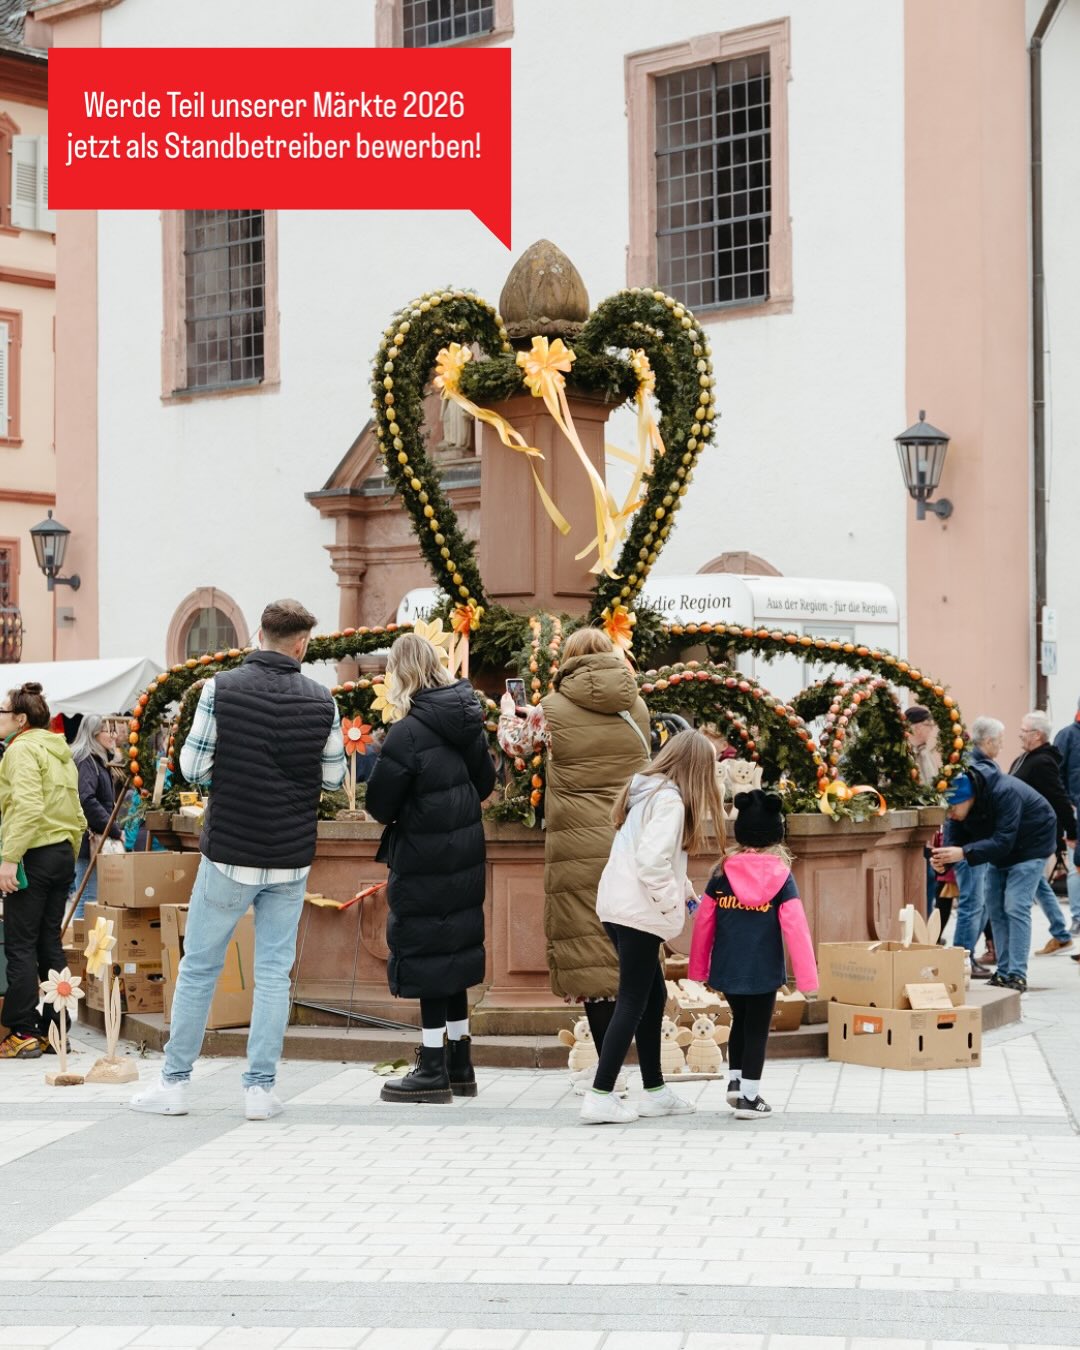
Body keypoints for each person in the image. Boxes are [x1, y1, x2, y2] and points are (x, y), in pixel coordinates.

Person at [130, 599, 345, 1120]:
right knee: (274, 973)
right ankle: (259, 1090)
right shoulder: (323, 700)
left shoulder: (219, 688)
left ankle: (175, 1084)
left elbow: (192, 763)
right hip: (289, 857)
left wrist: (224, 778)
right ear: (301, 645)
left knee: (200, 966)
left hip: (229, 852)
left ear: (258, 636)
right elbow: (335, 779)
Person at [497, 626, 650, 1088]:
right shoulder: (636, 706)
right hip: (630, 843)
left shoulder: (554, 708)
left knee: (587, 955)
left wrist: (509, 713)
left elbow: (517, 745)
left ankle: (609, 1075)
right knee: (629, 958)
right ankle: (641, 1075)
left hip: (578, 849)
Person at [366, 632, 496, 1104]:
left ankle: (432, 1068)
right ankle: (461, 1063)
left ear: (401, 673)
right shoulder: (467, 720)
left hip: (423, 856)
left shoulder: (407, 733)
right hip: (463, 852)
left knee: (427, 955)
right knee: (454, 954)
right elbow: (484, 782)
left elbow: (381, 804)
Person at [581, 729, 724, 1124]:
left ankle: (655, 1091)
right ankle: (600, 1093)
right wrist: (669, 905)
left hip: (619, 907)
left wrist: (687, 894)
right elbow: (651, 863)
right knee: (632, 999)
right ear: (698, 769)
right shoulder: (672, 803)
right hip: (638, 911)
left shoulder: (647, 794)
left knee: (652, 995)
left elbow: (655, 860)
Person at [689, 789, 818, 1121]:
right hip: (761, 970)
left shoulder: (721, 874)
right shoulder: (781, 876)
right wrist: (807, 979)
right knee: (757, 1029)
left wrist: (698, 968)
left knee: (740, 1022)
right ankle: (749, 1097)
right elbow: (796, 928)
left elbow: (704, 922)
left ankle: (735, 1082)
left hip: (727, 968)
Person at [0, 683, 86, 1059]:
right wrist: (69, 850)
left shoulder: (20, 750)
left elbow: (28, 806)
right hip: (62, 852)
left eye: (3, 711)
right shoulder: (58, 750)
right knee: (49, 942)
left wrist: (9, 857)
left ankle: (23, 1031)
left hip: (32, 854)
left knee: (20, 944)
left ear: (20, 719)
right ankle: (57, 1029)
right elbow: (78, 813)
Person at [932, 762, 1057, 994]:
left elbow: (1004, 840)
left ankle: (1017, 974)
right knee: (995, 906)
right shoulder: (960, 812)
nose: (950, 814)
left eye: (952, 808)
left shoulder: (1004, 792)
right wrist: (943, 861)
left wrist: (963, 852)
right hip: (1001, 849)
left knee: (1015, 904)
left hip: (1032, 844)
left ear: (966, 798)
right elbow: (953, 841)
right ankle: (1004, 971)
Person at [1009, 711, 1076, 956]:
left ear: (1037, 735)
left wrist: (1072, 831)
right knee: (1038, 883)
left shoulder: (1043, 762)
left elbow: (1059, 798)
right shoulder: (1027, 757)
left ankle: (1060, 935)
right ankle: (1061, 934)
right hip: (1024, 832)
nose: (1020, 734)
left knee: (1028, 888)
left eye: (1024, 731)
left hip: (1035, 835)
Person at [949, 717, 999, 972]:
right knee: (972, 904)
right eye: (998, 742)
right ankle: (961, 960)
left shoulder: (978, 763)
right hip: (970, 846)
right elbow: (958, 813)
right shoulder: (974, 766)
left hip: (974, 846)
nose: (1000, 747)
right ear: (988, 741)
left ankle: (966, 957)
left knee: (978, 903)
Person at [69, 713, 124, 919]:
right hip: (88, 840)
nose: (113, 735)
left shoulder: (96, 761)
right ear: (94, 734)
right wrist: (114, 829)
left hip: (91, 838)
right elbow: (87, 800)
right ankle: (80, 948)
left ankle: (84, 946)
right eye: (107, 730)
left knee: (91, 897)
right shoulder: (87, 761)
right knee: (88, 898)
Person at [905, 705, 941, 920]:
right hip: (913, 827)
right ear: (916, 727)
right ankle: (921, 925)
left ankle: (926, 925)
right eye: (929, 725)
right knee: (923, 877)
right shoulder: (905, 753)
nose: (931, 730)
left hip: (928, 828)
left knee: (929, 878)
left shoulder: (924, 751)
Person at [1053, 698, 1080, 937]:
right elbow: (1056, 773)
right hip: (1075, 809)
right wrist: (1068, 804)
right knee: (1074, 866)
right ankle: (1078, 917)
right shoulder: (1067, 736)